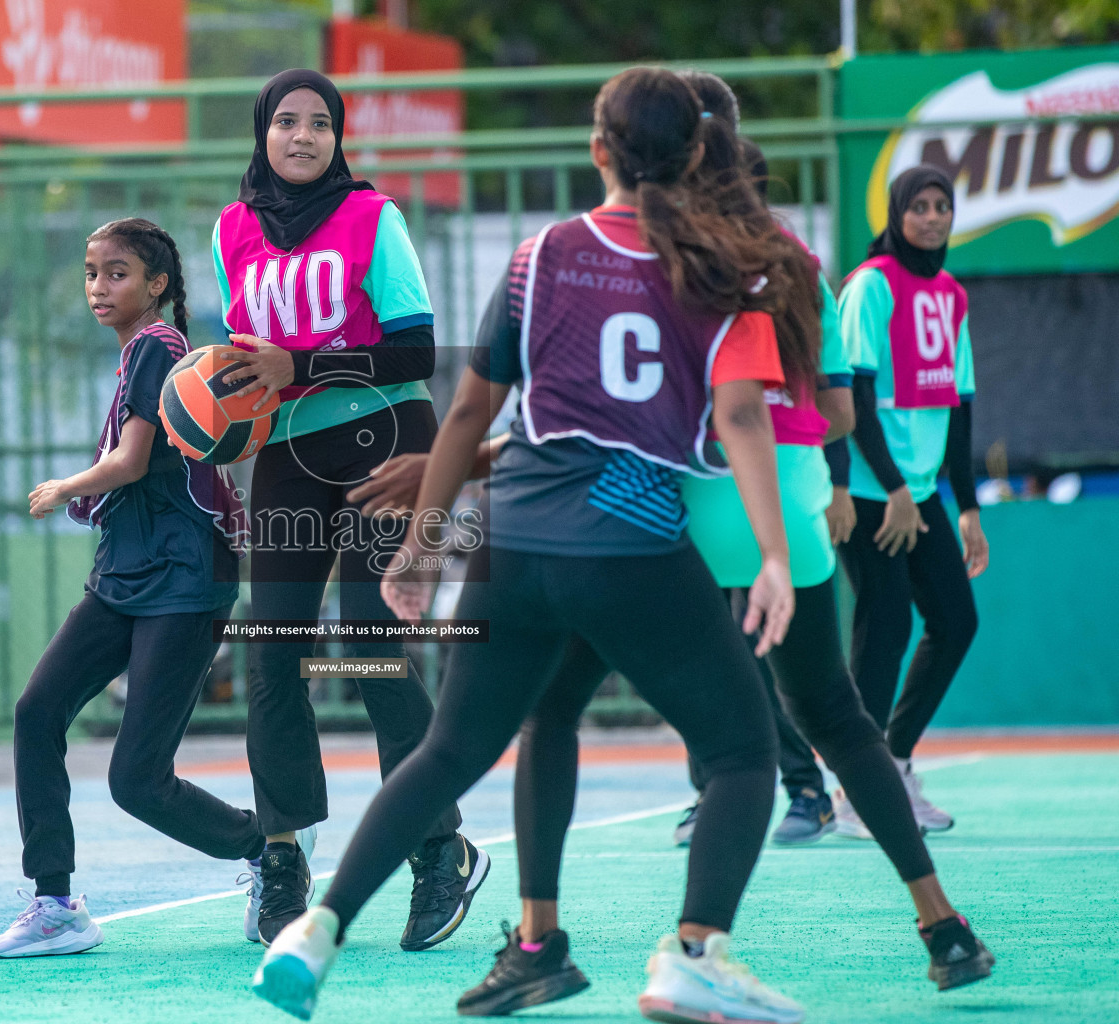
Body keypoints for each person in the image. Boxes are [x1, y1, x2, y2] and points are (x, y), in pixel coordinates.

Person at [255, 67, 806, 1024]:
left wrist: (425, 543)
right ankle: (697, 956)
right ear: (694, 155)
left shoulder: (539, 256)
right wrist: (774, 558)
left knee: (451, 748)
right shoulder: (714, 263)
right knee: (742, 750)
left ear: (597, 151)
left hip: (514, 537)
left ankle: (321, 928)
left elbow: (468, 409)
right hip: (630, 542)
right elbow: (744, 416)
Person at [211, 68, 487, 950]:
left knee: (372, 645)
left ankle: (438, 846)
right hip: (288, 455)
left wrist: (305, 366)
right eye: (286, 122)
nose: (301, 136)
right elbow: (250, 362)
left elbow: (417, 348)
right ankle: (283, 853)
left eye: (319, 124)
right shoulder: (231, 229)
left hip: (388, 444)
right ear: (261, 132)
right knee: (273, 651)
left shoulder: (375, 218)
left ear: (339, 137)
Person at [0, 218, 260, 958]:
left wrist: (63, 487)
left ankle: (267, 851)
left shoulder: (159, 348)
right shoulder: (138, 356)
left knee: (137, 779)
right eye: (91, 273)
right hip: (125, 572)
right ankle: (54, 903)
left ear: (157, 285)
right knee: (37, 712)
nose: (99, 287)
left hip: (185, 578)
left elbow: (132, 462)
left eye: (117, 274)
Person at [674, 72, 835, 846]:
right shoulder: (777, 259)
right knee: (740, 658)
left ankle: (798, 786)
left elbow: (815, 404)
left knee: (741, 656)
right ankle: (765, 788)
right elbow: (830, 406)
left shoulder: (751, 263)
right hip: (737, 480)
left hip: (741, 482)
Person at [834, 166, 988, 835]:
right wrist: (893, 488)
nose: (930, 217)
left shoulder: (951, 294)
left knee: (956, 622)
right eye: (918, 206)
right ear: (897, 214)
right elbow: (852, 395)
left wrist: (968, 507)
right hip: (869, 490)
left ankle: (890, 762)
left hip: (919, 494)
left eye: (941, 206)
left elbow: (961, 408)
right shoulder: (871, 286)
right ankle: (855, 794)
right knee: (886, 626)